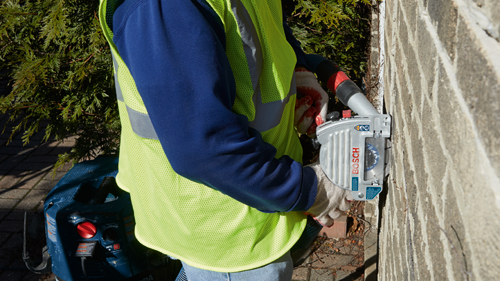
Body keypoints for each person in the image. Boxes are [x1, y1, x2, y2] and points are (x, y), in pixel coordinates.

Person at [98, 0, 353, 279]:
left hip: (253, 209)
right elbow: (202, 149)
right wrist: (308, 190)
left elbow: (260, 25)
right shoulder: (165, 8)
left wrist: (296, 70)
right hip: (222, 229)